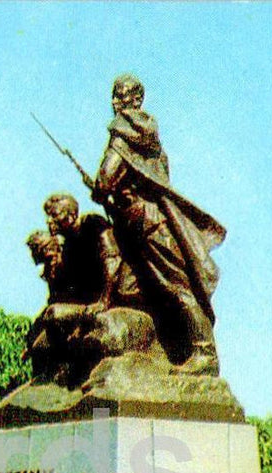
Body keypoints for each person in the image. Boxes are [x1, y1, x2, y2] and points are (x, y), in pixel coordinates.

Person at [91, 74, 227, 375]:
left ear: (136, 100)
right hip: (143, 223)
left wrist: (99, 190)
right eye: (114, 95)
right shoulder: (153, 143)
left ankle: (204, 353)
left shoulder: (122, 136)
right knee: (142, 288)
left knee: (177, 286)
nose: (115, 102)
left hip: (146, 225)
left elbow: (105, 180)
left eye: (121, 96)